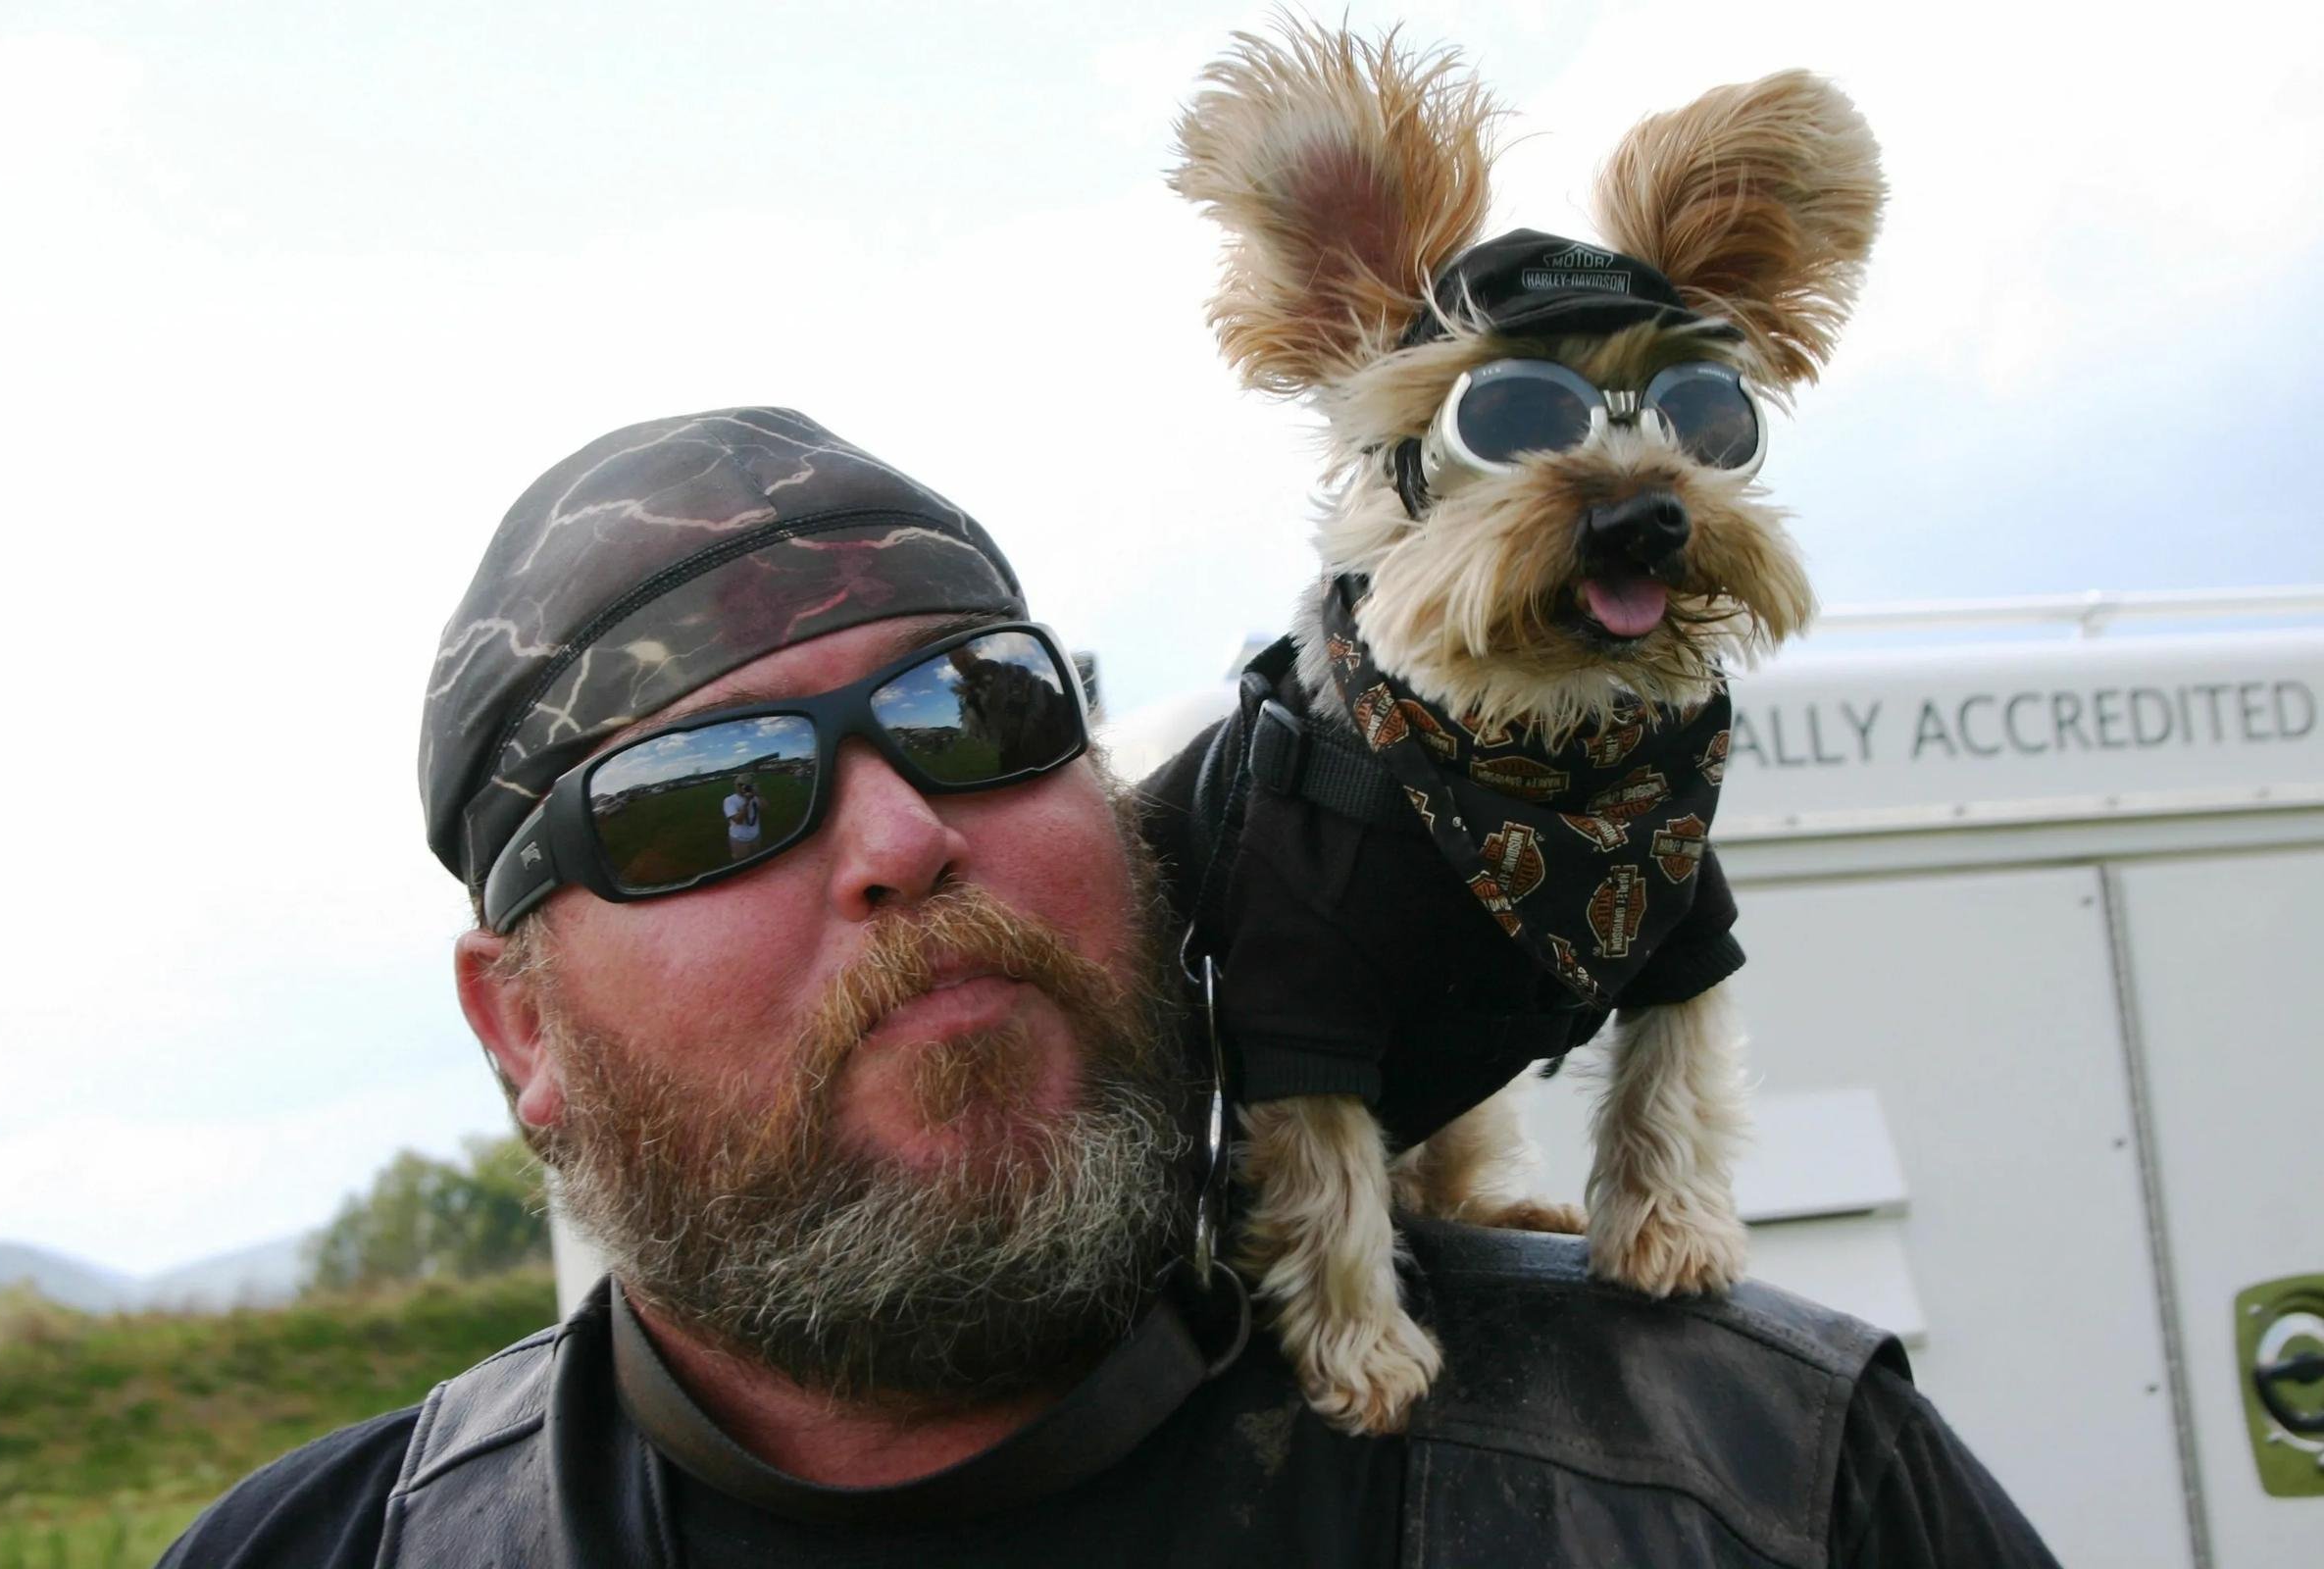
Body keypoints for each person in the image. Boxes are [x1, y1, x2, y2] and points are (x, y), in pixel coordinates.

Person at [158, 408, 2061, 1567]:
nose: (900, 827)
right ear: (522, 1028)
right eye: (702, 802)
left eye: (981, 708)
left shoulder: (1755, 1488)